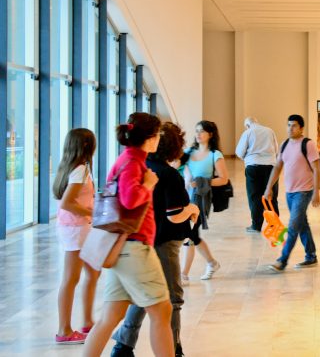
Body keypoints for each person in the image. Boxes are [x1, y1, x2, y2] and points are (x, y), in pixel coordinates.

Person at [83, 113, 174, 357]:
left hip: (122, 247)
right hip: (134, 247)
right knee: (162, 311)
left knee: (111, 316)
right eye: (158, 135)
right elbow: (130, 198)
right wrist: (148, 185)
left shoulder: (127, 159)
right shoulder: (133, 162)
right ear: (151, 138)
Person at [111, 122, 199, 357]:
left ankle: (123, 345)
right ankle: (174, 348)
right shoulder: (169, 175)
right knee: (173, 298)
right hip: (166, 243)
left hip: (144, 241)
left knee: (143, 296)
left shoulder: (142, 167)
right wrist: (191, 209)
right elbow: (173, 215)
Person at [53, 128, 101, 345]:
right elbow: (67, 202)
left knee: (93, 273)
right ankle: (64, 330)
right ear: (85, 146)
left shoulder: (70, 167)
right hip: (76, 229)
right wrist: (92, 213)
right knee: (71, 279)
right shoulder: (80, 169)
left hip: (77, 228)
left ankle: (88, 321)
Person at [265, 114, 320, 271]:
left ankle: (282, 260)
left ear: (301, 128)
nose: (291, 128)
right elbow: (277, 167)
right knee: (302, 224)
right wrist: (268, 188)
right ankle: (311, 256)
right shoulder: (284, 144)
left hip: (304, 192)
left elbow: (317, 169)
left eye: (294, 125)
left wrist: (316, 192)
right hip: (290, 192)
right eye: (289, 125)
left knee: (293, 226)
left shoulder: (308, 144)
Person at [181, 121, 225, 283]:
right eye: (196, 131)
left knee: (190, 235)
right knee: (193, 234)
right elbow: (177, 166)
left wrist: (201, 182)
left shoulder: (215, 155)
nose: (198, 134)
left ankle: (183, 274)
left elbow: (223, 179)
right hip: (185, 199)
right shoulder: (188, 152)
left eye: (202, 131)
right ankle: (212, 263)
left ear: (210, 134)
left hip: (202, 200)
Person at [235, 117, 280, 233]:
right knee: (271, 197)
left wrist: (248, 156)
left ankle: (256, 226)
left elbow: (239, 152)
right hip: (270, 167)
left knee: (255, 197)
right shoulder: (269, 131)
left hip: (253, 168)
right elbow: (276, 150)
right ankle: (274, 225)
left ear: (247, 125)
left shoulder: (248, 132)